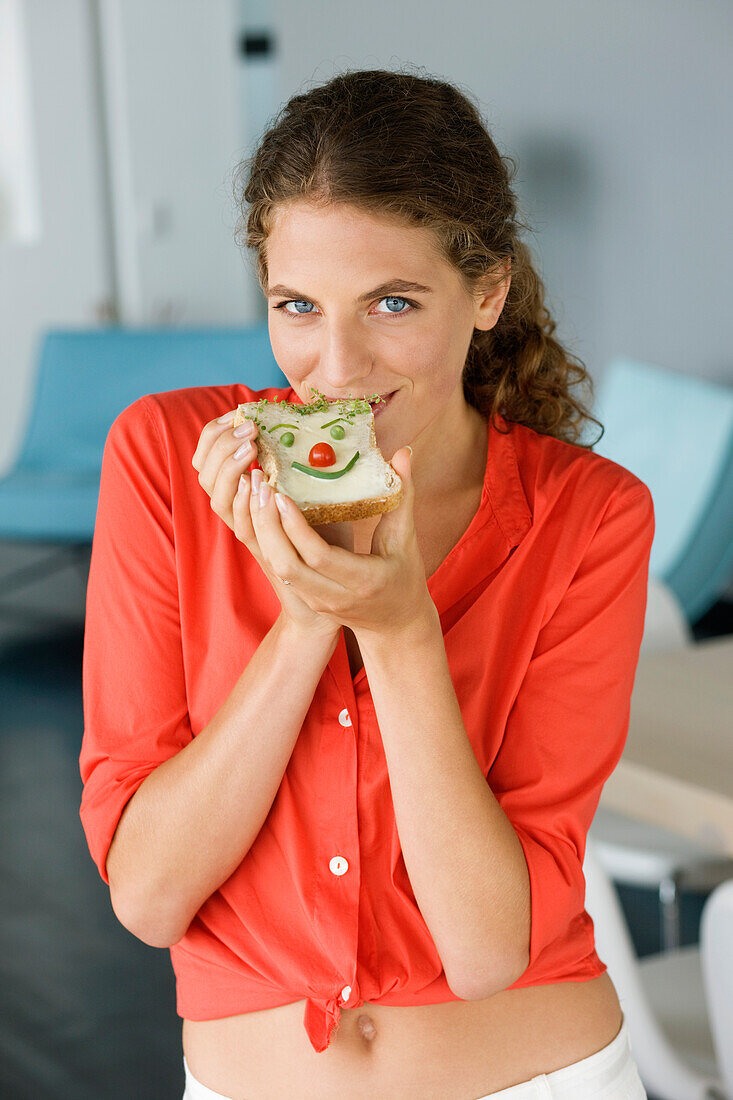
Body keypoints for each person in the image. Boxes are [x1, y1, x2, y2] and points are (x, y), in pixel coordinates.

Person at [79, 68, 653, 1099]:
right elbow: (150, 894)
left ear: (487, 293)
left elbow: (484, 952)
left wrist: (396, 631)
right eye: (296, 304)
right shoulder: (165, 459)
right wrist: (309, 606)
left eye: (392, 302)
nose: (334, 367)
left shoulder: (591, 514)